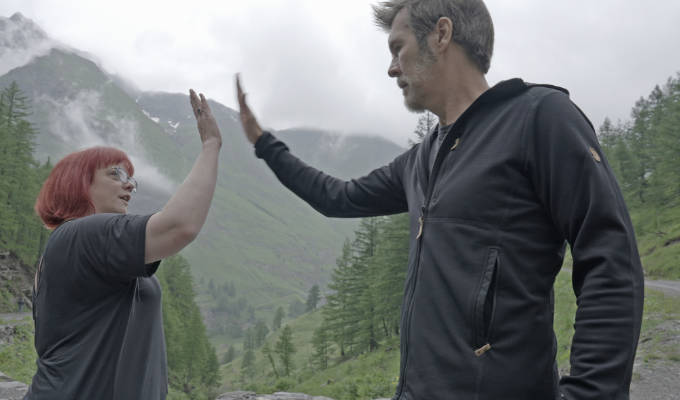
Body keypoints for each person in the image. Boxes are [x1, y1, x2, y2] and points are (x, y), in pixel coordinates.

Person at [235, 0, 644, 399]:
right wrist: (264, 144)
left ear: (442, 34)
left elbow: (610, 258)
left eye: (398, 47)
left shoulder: (539, 118)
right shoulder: (421, 160)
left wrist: (592, 391)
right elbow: (337, 197)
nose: (392, 67)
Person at [25, 89, 222, 400]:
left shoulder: (75, 244)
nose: (129, 184)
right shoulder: (80, 234)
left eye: (132, 178)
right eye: (115, 174)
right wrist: (211, 146)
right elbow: (179, 226)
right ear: (78, 182)